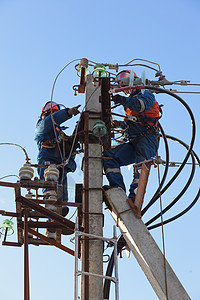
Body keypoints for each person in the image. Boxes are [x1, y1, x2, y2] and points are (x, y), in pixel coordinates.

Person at [103, 70, 161, 210]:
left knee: (141, 165)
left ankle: (135, 195)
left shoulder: (146, 93)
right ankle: (118, 189)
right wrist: (119, 124)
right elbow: (134, 122)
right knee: (109, 157)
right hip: (134, 139)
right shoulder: (129, 101)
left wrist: (124, 100)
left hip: (148, 138)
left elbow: (141, 106)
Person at [35, 101, 81, 219]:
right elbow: (51, 121)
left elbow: (69, 153)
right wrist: (67, 113)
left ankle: (55, 226)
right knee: (51, 194)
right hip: (48, 162)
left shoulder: (60, 133)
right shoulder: (42, 126)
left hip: (61, 166)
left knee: (61, 199)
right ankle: (52, 218)